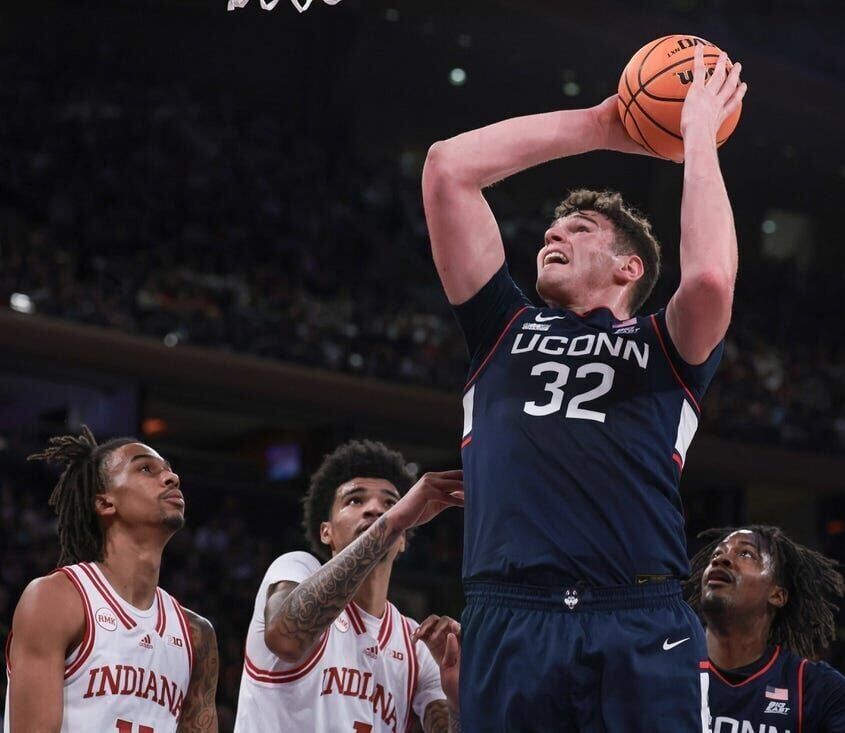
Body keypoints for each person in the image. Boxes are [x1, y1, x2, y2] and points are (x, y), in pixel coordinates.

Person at [422, 41, 746, 730]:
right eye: (551, 227)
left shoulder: (667, 345)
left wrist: (696, 134)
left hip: (638, 615)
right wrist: (605, 122)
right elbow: (449, 168)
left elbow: (712, 277)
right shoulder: (500, 327)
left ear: (630, 266)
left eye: (579, 228)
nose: (551, 234)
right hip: (511, 615)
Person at [234, 438, 463, 733]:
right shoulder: (295, 569)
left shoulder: (415, 643)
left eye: (391, 504)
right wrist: (391, 523)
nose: (376, 510)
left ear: (404, 540)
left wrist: (459, 698)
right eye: (355, 500)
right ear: (326, 532)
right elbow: (286, 639)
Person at [4, 426, 218, 732]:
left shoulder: (196, 635)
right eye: (146, 469)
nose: (172, 478)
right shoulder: (58, 598)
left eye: (170, 471)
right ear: (105, 503)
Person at [690, 525, 845, 732]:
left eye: (746, 554)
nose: (720, 559)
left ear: (777, 595)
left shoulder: (812, 686)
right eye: (717, 553)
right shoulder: (668, 663)